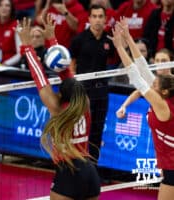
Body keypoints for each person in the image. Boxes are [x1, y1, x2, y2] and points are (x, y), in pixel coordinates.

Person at [16, 15, 100, 200]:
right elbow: (67, 74)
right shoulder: (84, 103)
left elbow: (40, 78)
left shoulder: (58, 109)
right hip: (91, 172)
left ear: (61, 95)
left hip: (69, 171)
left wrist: (26, 46)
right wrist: (52, 41)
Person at [111, 17, 174, 200]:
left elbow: (136, 76)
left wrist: (119, 47)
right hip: (168, 163)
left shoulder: (162, 105)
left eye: (154, 85)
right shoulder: (164, 96)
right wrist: (129, 38)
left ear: (162, 91)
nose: (150, 84)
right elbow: (143, 68)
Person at [69, 4, 115, 162]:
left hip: (101, 92)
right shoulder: (79, 40)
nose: (97, 20)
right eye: (94, 16)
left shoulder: (109, 40)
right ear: (89, 19)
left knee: (97, 131)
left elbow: (117, 59)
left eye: (100, 16)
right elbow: (71, 64)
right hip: (83, 93)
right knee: (79, 131)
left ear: (105, 19)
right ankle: (76, 163)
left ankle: (93, 166)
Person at [116, 48, 174, 118]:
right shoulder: (156, 80)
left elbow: (137, 76)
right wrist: (124, 106)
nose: (160, 64)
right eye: (157, 60)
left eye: (164, 61)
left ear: (171, 62)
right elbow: (139, 91)